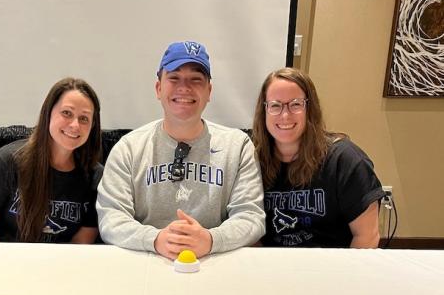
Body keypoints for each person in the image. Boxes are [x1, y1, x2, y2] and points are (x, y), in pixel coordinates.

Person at [97, 41, 266, 259]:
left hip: (215, 264)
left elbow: (251, 216)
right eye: (174, 78)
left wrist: (211, 240)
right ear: (159, 88)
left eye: (196, 79)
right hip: (145, 264)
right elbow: (111, 217)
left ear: (209, 91)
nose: (184, 87)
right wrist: (156, 240)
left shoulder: (238, 146)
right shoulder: (129, 148)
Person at [252, 67, 385, 248]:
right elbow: (248, 233)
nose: (285, 115)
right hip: (272, 267)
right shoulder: (250, 158)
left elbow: (367, 237)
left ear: (310, 109)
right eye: (275, 105)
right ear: (264, 111)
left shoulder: (345, 160)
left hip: (329, 269)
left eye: (296, 104)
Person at [0, 77, 103, 243]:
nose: (75, 125)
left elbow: (81, 243)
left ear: (93, 126)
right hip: (4, 261)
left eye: (84, 118)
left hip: (58, 266)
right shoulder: (8, 161)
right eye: (66, 113)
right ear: (48, 113)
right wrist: (3, 265)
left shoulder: (96, 178)